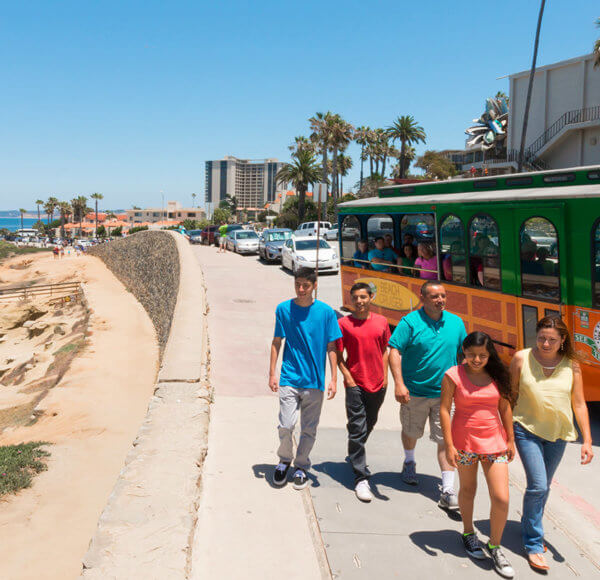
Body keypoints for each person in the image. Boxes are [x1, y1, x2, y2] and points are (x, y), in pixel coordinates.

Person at [509, 316, 593, 572]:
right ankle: (533, 543)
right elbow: (510, 395)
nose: (545, 343)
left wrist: (587, 439)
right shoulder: (521, 358)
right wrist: (505, 434)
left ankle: (529, 523)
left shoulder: (572, 366)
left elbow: (579, 403)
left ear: (563, 340)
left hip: (558, 435)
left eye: (552, 340)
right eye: (542, 338)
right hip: (526, 430)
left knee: (543, 486)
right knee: (537, 485)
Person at [440, 332, 515, 578]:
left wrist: (511, 439)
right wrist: (449, 445)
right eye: (471, 354)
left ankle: (494, 545)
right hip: (464, 443)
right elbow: (444, 409)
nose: (476, 359)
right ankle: (469, 533)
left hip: (495, 443)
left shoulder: (497, 373)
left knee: (501, 498)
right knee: (468, 489)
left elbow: (505, 407)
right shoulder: (453, 375)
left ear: (489, 353)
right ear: (464, 351)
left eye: (482, 355)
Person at [389, 280, 467, 508]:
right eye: (434, 296)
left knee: (445, 440)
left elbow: (464, 354)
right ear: (422, 298)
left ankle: (449, 489)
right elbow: (395, 352)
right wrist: (399, 384)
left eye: (443, 296)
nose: (440, 300)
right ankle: (410, 461)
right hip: (415, 393)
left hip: (445, 395)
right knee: (411, 431)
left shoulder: (456, 323)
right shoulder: (410, 322)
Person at [269, 267, 342, 490]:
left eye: (306, 286)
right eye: (297, 285)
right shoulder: (283, 309)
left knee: (309, 429)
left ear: (314, 286)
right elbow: (277, 342)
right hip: (289, 377)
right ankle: (284, 460)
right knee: (286, 425)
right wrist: (272, 372)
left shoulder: (327, 312)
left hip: (315, 381)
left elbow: (332, 346)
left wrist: (334, 379)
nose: (301, 289)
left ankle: (301, 466)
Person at [337, 283, 391, 502]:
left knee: (369, 422)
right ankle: (361, 478)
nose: (359, 301)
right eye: (355, 297)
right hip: (355, 383)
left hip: (378, 382)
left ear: (371, 298)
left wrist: (386, 377)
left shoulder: (382, 322)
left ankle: (354, 450)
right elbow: (338, 355)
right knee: (358, 427)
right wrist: (347, 377)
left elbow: (385, 351)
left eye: (363, 297)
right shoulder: (344, 324)